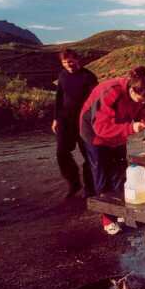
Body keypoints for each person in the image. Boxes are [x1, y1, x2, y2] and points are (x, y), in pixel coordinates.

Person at [80, 66, 145, 234]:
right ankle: (107, 219)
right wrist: (131, 127)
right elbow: (101, 128)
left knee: (120, 172)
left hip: (118, 132)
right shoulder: (110, 92)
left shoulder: (142, 95)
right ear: (131, 90)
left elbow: (140, 110)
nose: (143, 102)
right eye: (141, 100)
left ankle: (119, 210)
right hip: (94, 135)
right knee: (103, 175)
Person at [52, 49, 98, 198]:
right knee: (61, 153)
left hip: (84, 121)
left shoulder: (89, 77)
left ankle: (89, 188)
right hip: (65, 120)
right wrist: (55, 119)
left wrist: (95, 121)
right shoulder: (62, 75)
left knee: (88, 154)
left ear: (77, 59)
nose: (68, 65)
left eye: (70, 61)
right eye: (65, 62)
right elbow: (59, 98)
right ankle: (74, 183)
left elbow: (97, 102)